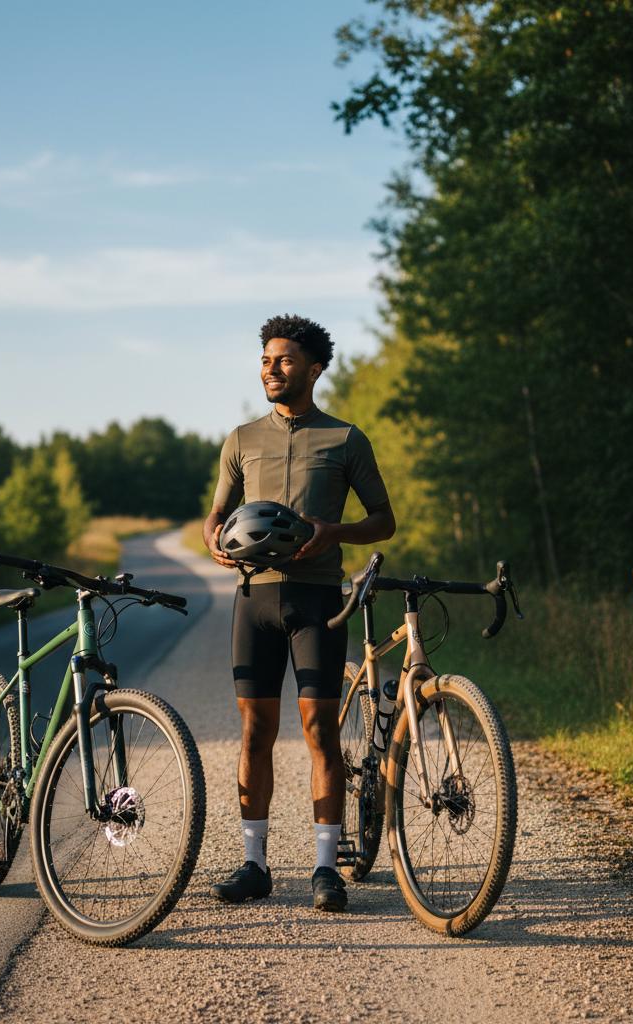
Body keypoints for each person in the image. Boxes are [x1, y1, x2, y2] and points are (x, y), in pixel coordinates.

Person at [203, 313, 395, 912]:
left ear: (313, 369)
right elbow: (215, 515)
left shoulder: (345, 439)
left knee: (319, 734)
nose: (270, 368)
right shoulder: (241, 439)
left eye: (283, 360)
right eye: (265, 359)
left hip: (316, 599)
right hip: (254, 600)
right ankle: (254, 864)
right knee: (255, 733)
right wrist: (214, 540)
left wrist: (333, 531)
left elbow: (383, 520)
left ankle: (324, 869)